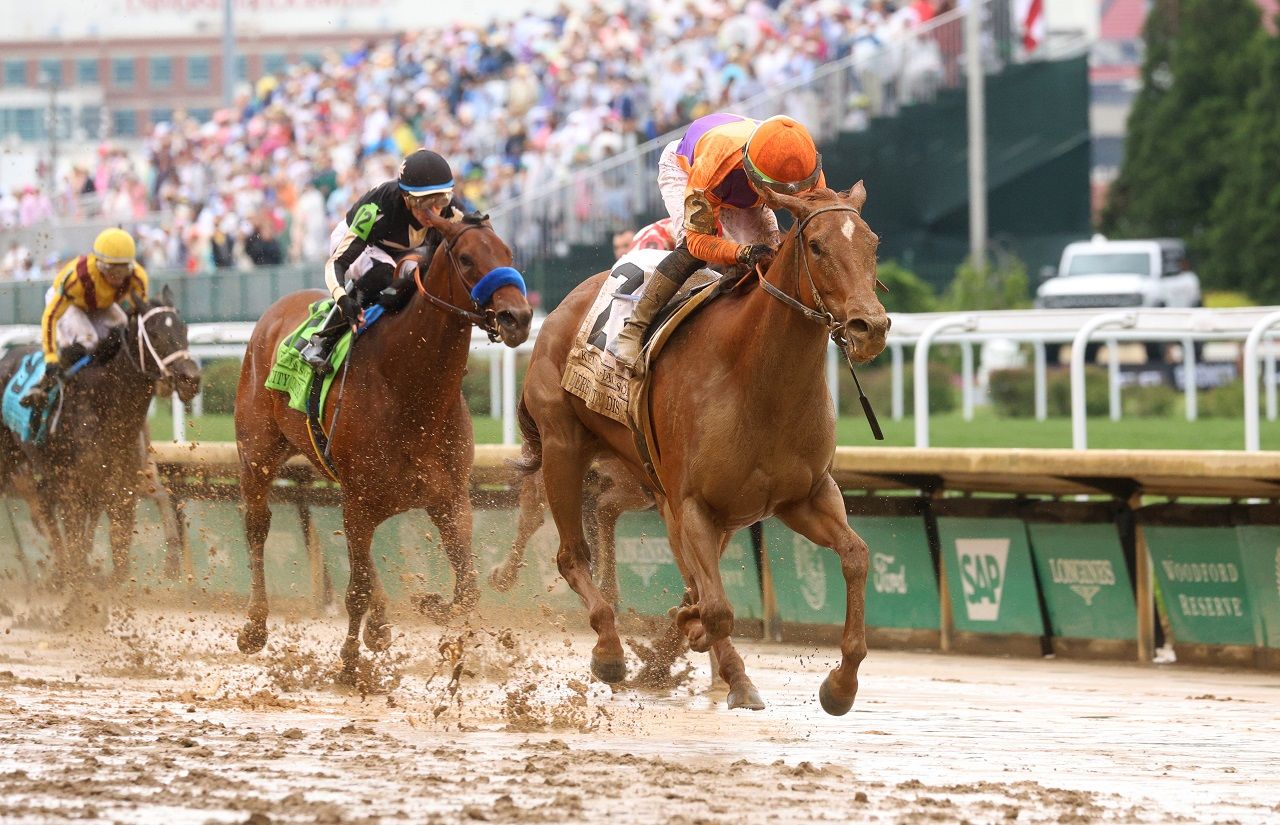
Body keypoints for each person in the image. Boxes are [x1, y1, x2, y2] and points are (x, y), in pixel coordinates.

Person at [612, 114, 825, 372]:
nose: (782, 201)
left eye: (789, 193)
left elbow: (819, 223)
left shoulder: (804, 164)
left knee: (771, 259)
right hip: (688, 170)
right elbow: (698, 243)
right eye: (776, 193)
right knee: (694, 254)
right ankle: (634, 330)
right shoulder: (714, 165)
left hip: (748, 185)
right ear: (753, 172)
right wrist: (741, 252)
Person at [300, 148, 458, 371]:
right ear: (407, 198)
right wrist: (343, 298)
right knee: (386, 274)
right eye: (425, 203)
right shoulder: (377, 210)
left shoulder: (449, 206)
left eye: (441, 200)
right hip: (360, 243)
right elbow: (337, 263)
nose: (434, 211)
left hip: (398, 251)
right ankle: (321, 342)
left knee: (425, 279)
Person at [22, 228, 149, 408]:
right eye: (111, 270)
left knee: (123, 328)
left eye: (123, 270)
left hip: (99, 304)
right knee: (88, 339)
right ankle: (44, 383)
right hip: (68, 302)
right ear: (99, 264)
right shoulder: (78, 277)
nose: (117, 278)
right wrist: (50, 356)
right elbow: (51, 316)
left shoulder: (138, 278)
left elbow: (139, 319)